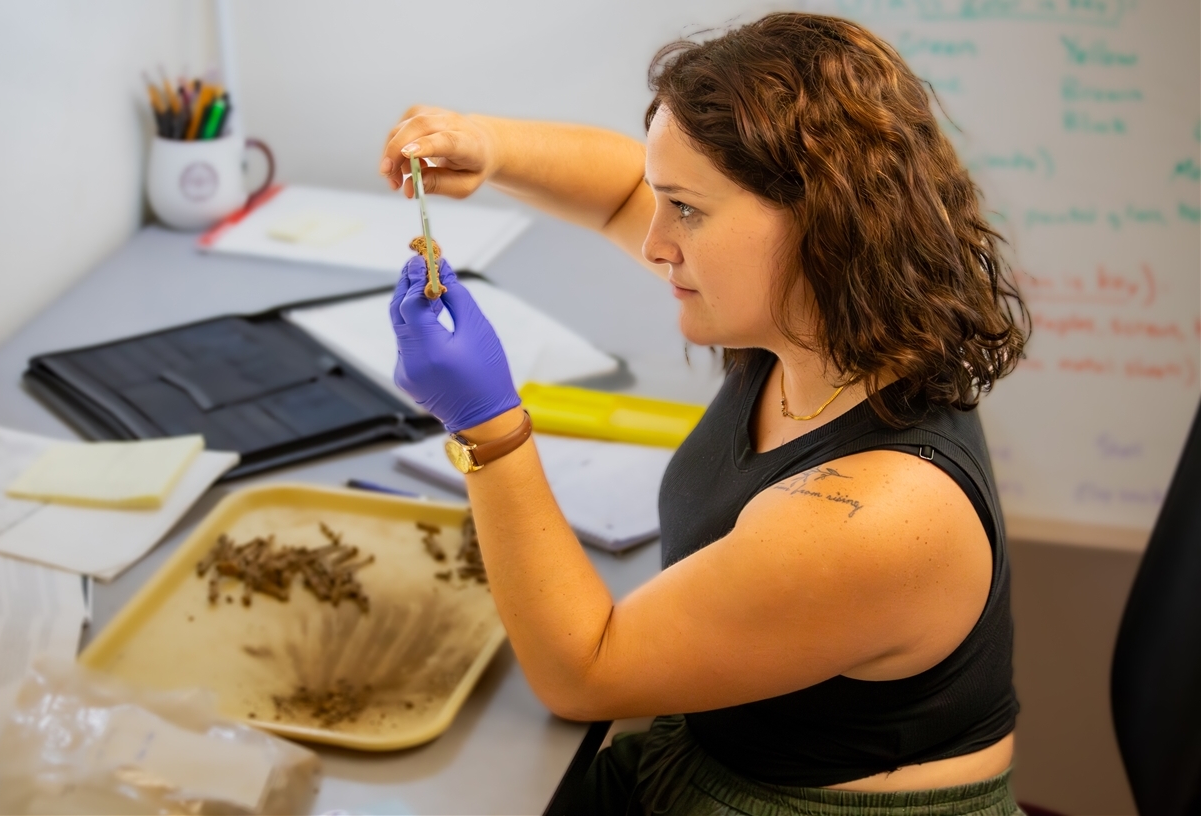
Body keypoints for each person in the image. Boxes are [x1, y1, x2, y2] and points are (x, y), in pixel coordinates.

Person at [379, 12, 1029, 816]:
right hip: (717, 755)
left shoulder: (877, 515)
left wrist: (488, 425)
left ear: (822, 224)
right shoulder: (821, 330)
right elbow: (621, 184)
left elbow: (585, 674)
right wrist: (487, 146)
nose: (654, 242)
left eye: (685, 208)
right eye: (663, 201)